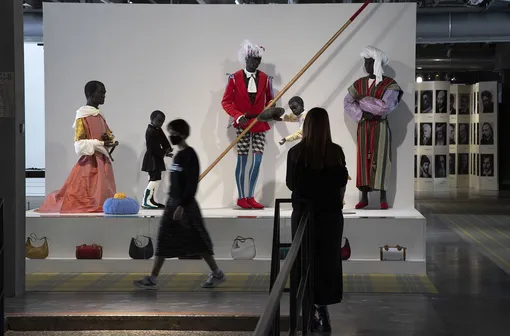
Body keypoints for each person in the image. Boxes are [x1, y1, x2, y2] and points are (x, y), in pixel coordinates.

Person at [134, 119, 226, 290]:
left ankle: (217, 273)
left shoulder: (190, 156)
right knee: (163, 239)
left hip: (185, 205)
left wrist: (182, 206)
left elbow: (191, 183)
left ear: (182, 134)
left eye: (174, 133)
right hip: (173, 203)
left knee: (199, 240)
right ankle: (153, 278)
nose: (171, 137)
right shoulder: (178, 156)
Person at [286, 107, 349, 333]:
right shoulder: (335, 152)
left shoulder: (296, 152)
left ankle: (308, 309)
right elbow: (342, 182)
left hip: (304, 215)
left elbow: (291, 184)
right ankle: (323, 309)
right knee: (327, 262)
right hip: (330, 217)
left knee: (304, 262)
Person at [38, 80, 117, 213]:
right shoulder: (82, 116)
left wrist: (110, 141)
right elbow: (79, 144)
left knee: (103, 191)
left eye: (104, 93)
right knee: (87, 191)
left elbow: (107, 134)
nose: (103, 96)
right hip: (90, 162)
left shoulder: (100, 116)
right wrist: (101, 144)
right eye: (100, 92)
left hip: (102, 161)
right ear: (90, 94)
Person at [344, 46, 403, 210]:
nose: (367, 66)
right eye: (366, 62)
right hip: (364, 126)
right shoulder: (359, 83)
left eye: (370, 62)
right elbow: (348, 102)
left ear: (377, 63)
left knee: (382, 159)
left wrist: (362, 100)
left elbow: (385, 107)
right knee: (363, 160)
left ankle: (383, 197)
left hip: (380, 126)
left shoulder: (390, 84)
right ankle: (364, 197)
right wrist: (362, 115)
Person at [222, 40, 274, 210]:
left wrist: (271, 110)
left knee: (257, 160)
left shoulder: (266, 79)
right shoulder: (234, 78)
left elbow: (270, 99)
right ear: (246, 58)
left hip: (260, 122)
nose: (255, 62)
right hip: (242, 124)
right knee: (242, 161)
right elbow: (226, 102)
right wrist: (237, 116)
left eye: (258, 60)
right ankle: (241, 197)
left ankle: (251, 196)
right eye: (252, 59)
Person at [141, 110, 173, 209]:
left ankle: (151, 200)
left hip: (156, 157)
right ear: (152, 119)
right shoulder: (150, 131)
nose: (161, 123)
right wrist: (164, 152)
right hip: (152, 158)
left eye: (162, 121)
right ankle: (146, 200)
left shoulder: (157, 129)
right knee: (154, 179)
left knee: (156, 179)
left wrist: (167, 149)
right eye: (159, 121)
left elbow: (164, 140)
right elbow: (152, 148)